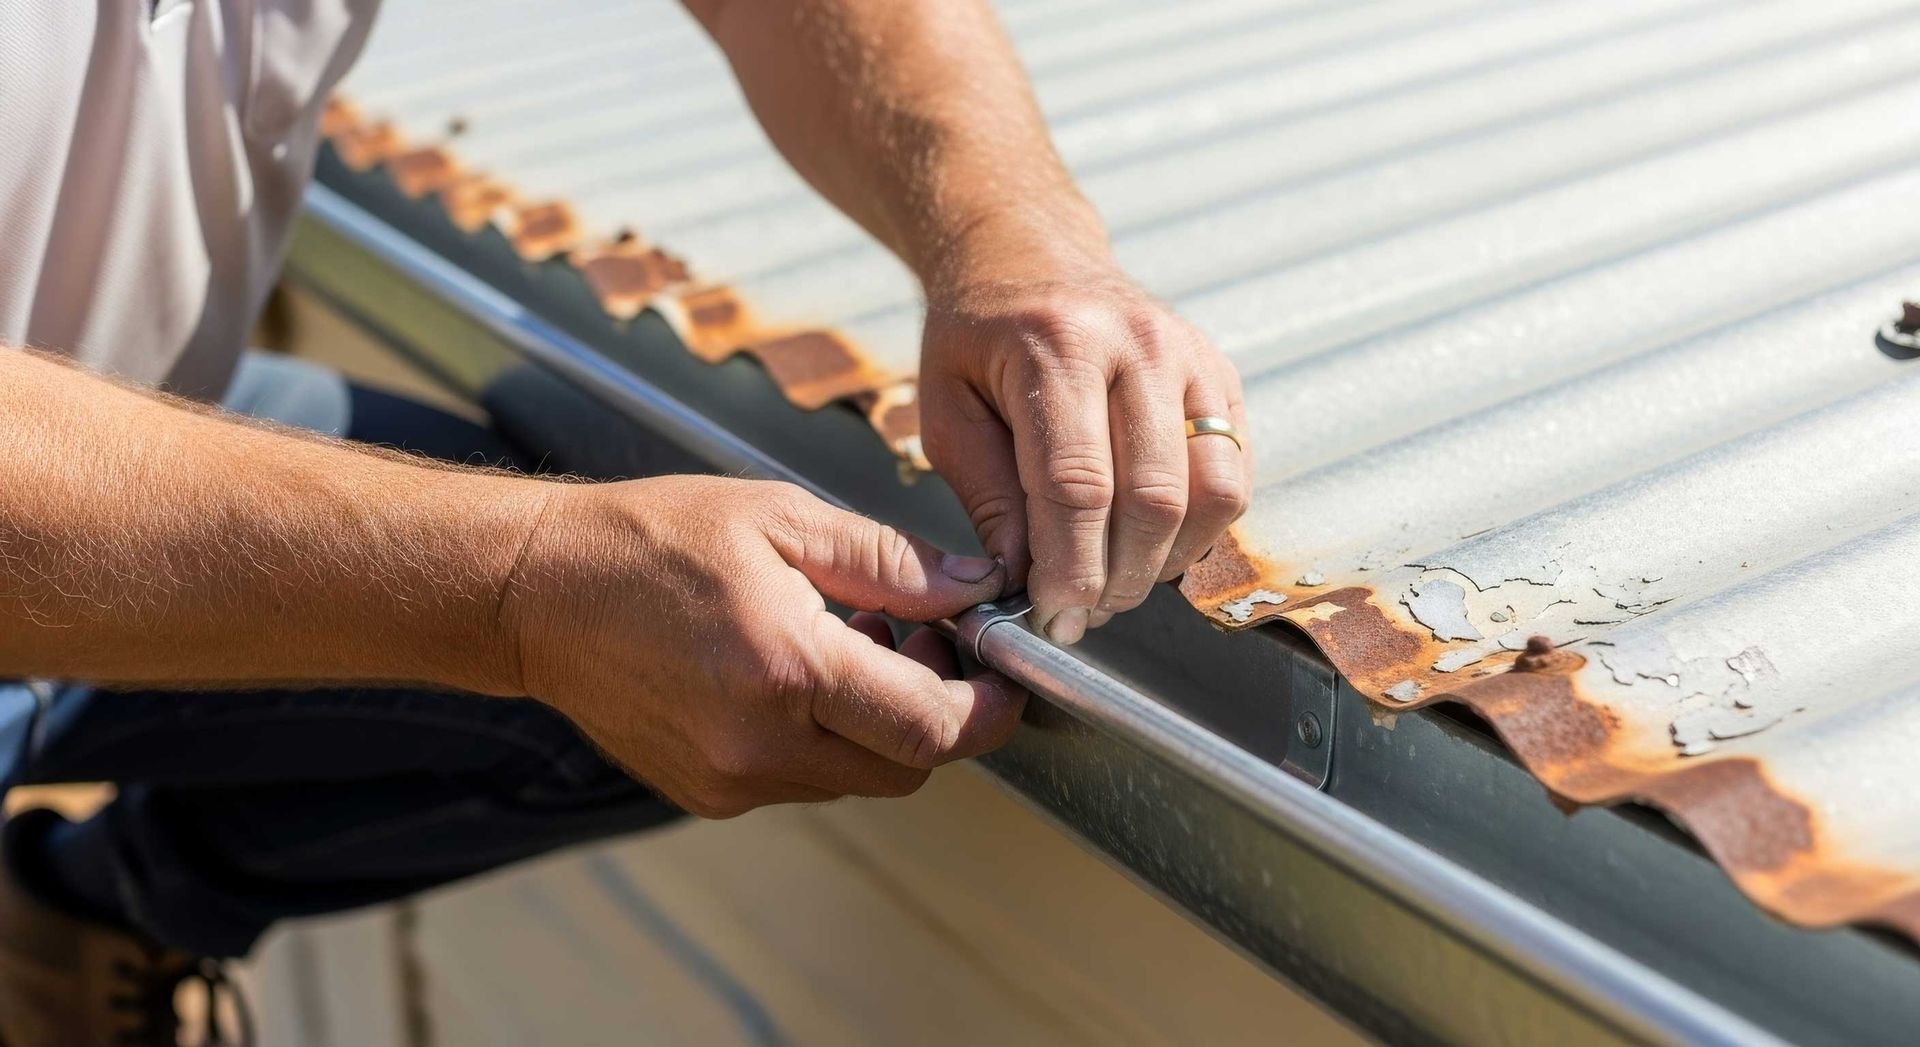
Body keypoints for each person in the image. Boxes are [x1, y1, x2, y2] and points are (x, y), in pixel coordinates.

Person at [0, 1, 1251, 1041]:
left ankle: (81, 912)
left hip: (128, 398)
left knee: (725, 635)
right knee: (598, 615)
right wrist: (522, 590)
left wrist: (1014, 242)